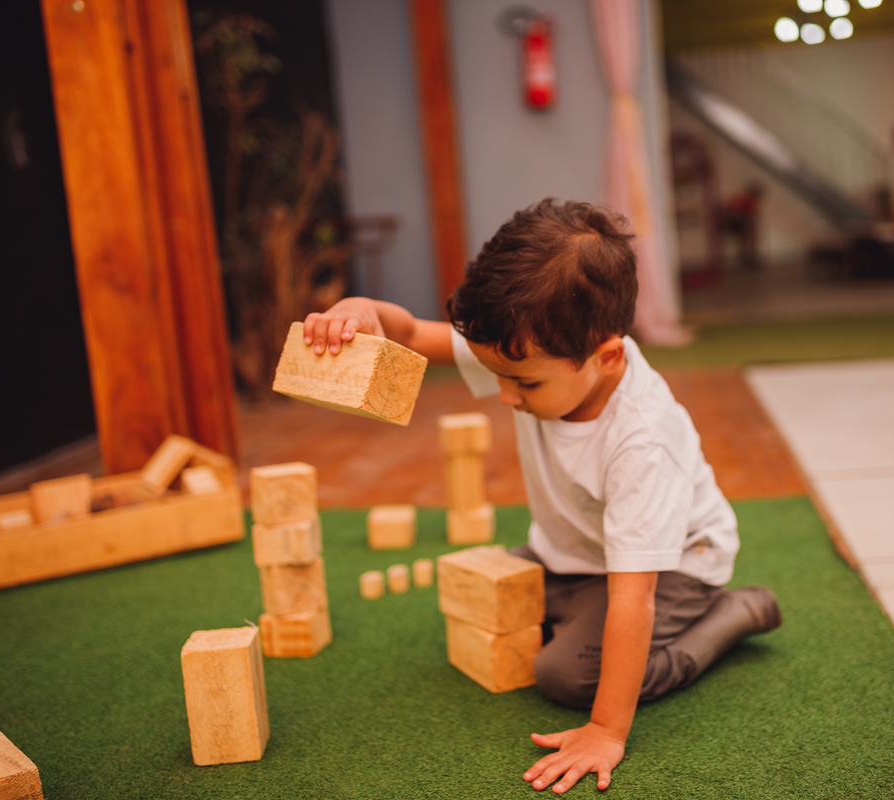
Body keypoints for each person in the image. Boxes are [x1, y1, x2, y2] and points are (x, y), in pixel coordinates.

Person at [302, 199, 781, 794]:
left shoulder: (641, 441)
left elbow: (634, 599)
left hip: (675, 567)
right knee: (488, 596)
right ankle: (577, 607)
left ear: (607, 357)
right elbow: (409, 334)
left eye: (523, 383)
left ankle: (733, 615)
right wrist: (361, 310)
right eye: (498, 375)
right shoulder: (534, 346)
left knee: (564, 676)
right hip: (577, 552)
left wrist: (605, 730)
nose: (506, 396)